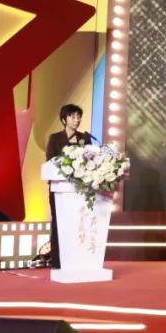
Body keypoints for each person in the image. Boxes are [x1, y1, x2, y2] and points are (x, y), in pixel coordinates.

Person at [44, 104, 93, 269]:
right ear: (64, 120)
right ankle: (57, 260)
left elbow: (91, 161)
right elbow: (51, 161)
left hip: (79, 190)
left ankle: (78, 259)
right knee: (59, 222)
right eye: (73, 117)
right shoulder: (55, 138)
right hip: (59, 189)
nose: (77, 120)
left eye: (79, 117)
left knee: (78, 223)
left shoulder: (85, 138)